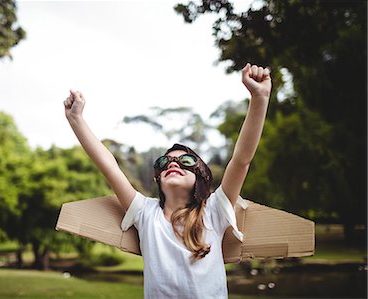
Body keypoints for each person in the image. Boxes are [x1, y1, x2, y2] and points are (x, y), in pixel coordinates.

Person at [64, 63, 272, 298]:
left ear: (200, 176)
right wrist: (76, 120)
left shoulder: (214, 210)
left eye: (185, 161)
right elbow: (109, 166)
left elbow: (241, 159)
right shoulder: (145, 213)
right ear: (159, 179)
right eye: (164, 162)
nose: (173, 163)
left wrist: (260, 97)